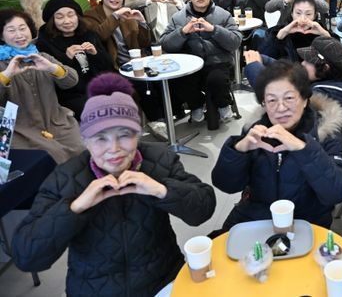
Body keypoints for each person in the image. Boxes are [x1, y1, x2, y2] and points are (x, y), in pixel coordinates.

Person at [12, 73, 216, 297]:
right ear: (86, 141)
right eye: (101, 138)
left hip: (164, 280)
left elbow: (203, 209)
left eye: (124, 135)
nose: (114, 149)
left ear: (138, 135)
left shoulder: (160, 159)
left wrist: (161, 190)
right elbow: (27, 257)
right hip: (94, 289)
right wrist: (74, 208)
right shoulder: (66, 177)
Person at [211, 60, 342, 231]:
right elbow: (225, 185)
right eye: (271, 100)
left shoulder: (326, 130)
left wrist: (303, 149)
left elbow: (338, 192)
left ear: (305, 99)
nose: (281, 108)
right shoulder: (255, 130)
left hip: (306, 222)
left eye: (289, 98)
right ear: (263, 103)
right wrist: (239, 149)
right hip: (254, 217)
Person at [84, 0, 167, 139]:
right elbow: (99, 36)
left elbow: (143, 42)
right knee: (144, 86)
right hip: (112, 67)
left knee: (161, 79)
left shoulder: (127, 13)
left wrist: (142, 22)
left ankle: (163, 120)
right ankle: (157, 122)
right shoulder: (91, 16)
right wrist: (115, 16)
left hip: (135, 63)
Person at [0, 9, 83, 164]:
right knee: (55, 156)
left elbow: (72, 81)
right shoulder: (2, 63)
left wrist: (52, 68)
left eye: (22, 28)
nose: (19, 34)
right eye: (11, 30)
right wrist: (7, 74)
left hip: (57, 122)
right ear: (2, 36)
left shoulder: (42, 57)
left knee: (82, 149)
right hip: (22, 131)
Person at [161, 0, 242, 125]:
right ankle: (196, 106)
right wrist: (183, 31)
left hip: (218, 62)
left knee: (216, 79)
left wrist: (214, 29)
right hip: (190, 64)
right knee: (180, 80)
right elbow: (166, 44)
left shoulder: (223, 14)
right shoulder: (178, 17)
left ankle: (224, 104)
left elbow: (235, 41)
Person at [244, 36, 342, 129]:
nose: (303, 63)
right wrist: (262, 59)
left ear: (325, 68)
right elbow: (292, 73)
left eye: (309, 61)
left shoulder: (322, 95)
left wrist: (253, 66)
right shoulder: (335, 82)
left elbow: (273, 91)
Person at [36, 0, 114, 118]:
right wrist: (66, 58)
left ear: (77, 16)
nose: (67, 21)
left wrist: (96, 54)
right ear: (52, 20)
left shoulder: (88, 34)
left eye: (71, 15)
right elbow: (50, 78)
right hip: (70, 95)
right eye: (60, 17)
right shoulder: (45, 42)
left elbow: (108, 66)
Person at [259, 0, 330, 61]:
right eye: (298, 13)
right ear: (292, 13)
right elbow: (263, 58)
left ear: (314, 16)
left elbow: (334, 60)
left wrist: (326, 35)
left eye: (308, 14)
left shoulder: (320, 31)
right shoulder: (277, 31)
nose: (302, 19)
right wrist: (280, 35)